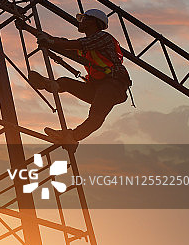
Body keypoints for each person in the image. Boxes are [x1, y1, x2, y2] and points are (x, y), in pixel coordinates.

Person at [20, 9, 131, 146]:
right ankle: (49, 85)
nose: (80, 22)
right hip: (97, 87)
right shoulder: (86, 45)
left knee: (96, 115)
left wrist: (50, 42)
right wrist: (28, 28)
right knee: (66, 83)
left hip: (113, 84)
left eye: (83, 19)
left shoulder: (103, 38)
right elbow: (60, 43)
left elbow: (71, 44)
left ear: (93, 21)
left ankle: (73, 136)